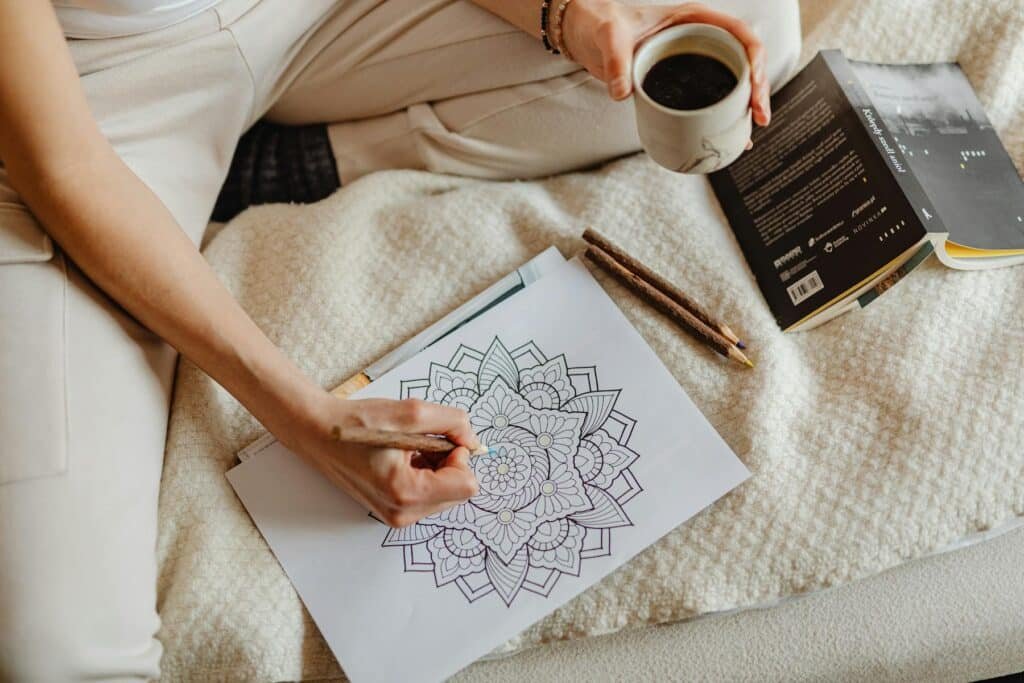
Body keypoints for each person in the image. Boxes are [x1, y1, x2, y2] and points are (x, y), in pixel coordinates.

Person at [0, 0, 800, 678]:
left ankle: (305, 161)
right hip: (88, 95)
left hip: (321, 17)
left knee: (744, 20)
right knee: (59, 650)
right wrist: (309, 418)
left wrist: (563, 16)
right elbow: (63, 166)